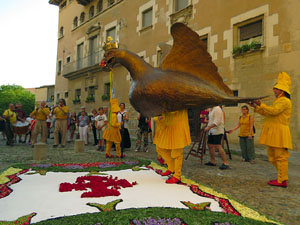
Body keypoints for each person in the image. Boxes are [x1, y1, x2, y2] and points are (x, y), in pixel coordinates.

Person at [249, 72, 292, 188]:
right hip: (273, 131)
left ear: (283, 90)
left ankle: (282, 180)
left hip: (280, 132)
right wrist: (256, 107)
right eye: (275, 89)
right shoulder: (278, 101)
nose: (275, 91)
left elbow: (274, 111)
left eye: (277, 89)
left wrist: (261, 104)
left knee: (280, 156)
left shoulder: (285, 101)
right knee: (272, 156)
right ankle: (281, 177)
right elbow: (269, 113)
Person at [156, 110, 191, 184]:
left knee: (177, 153)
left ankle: (177, 176)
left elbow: (173, 110)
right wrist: (158, 117)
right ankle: (171, 167)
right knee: (160, 148)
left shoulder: (180, 102)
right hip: (167, 127)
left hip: (178, 128)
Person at [204, 106, 229, 170]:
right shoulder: (211, 110)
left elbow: (217, 122)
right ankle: (213, 161)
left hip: (217, 131)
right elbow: (211, 120)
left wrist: (208, 127)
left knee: (218, 146)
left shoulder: (217, 109)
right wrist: (208, 127)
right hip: (212, 131)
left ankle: (225, 162)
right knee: (210, 145)